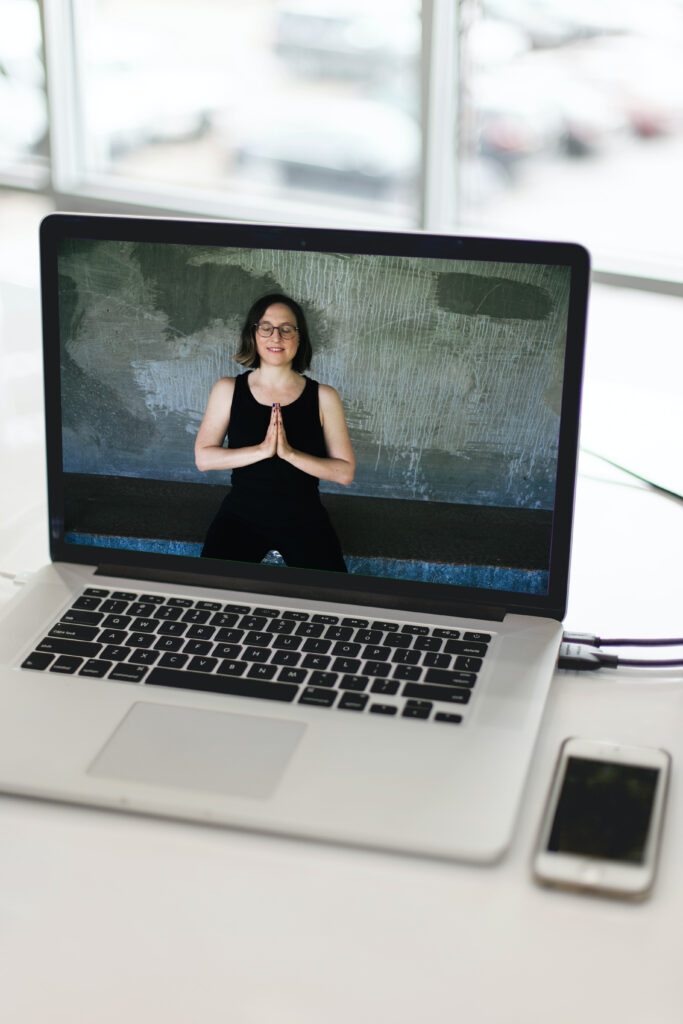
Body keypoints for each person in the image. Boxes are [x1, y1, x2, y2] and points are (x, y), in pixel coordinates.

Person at [195, 293, 355, 572]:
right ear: (253, 335)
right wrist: (261, 451)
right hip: (241, 515)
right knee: (208, 593)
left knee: (335, 602)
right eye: (266, 328)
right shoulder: (228, 389)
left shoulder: (325, 397)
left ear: (299, 337)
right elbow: (204, 459)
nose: (276, 337)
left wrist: (289, 454)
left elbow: (344, 473)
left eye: (286, 329)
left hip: (305, 517)